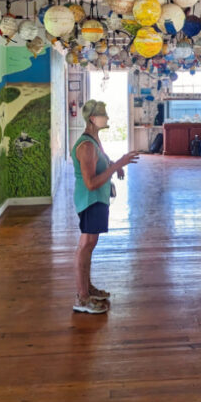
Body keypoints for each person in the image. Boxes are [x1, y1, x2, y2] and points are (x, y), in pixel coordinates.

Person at [71, 100, 139, 314]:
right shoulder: (87, 146)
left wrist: (111, 166)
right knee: (86, 245)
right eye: (102, 115)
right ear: (92, 118)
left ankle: (87, 288)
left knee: (90, 244)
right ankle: (82, 298)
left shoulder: (94, 140)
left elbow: (102, 161)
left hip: (98, 201)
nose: (107, 118)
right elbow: (90, 183)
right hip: (90, 201)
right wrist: (118, 164)